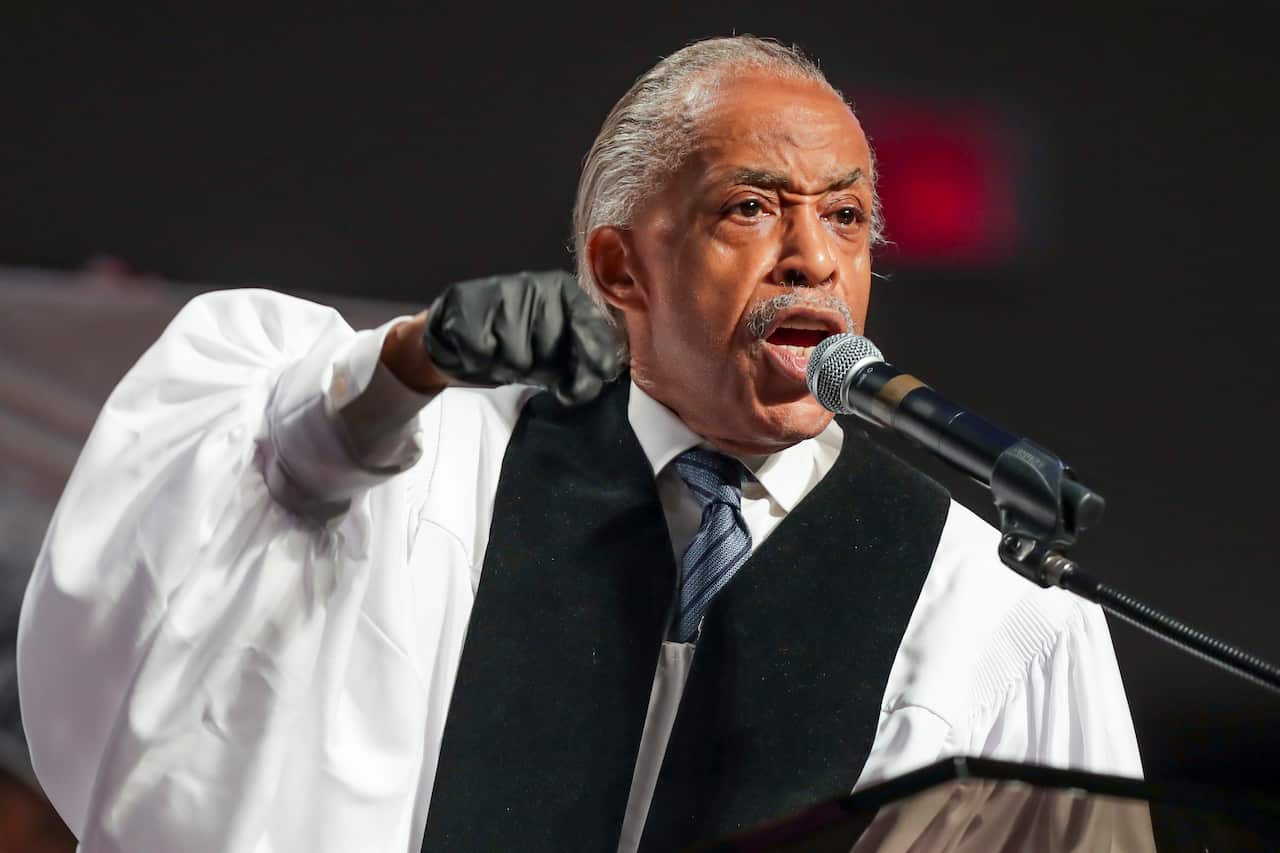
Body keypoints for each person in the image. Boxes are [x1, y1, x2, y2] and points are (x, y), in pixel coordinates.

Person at [17, 36, 1141, 853]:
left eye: (844, 216)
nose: (812, 258)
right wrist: (406, 362)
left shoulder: (984, 602)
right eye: (751, 206)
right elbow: (258, 489)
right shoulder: (441, 466)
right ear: (617, 270)